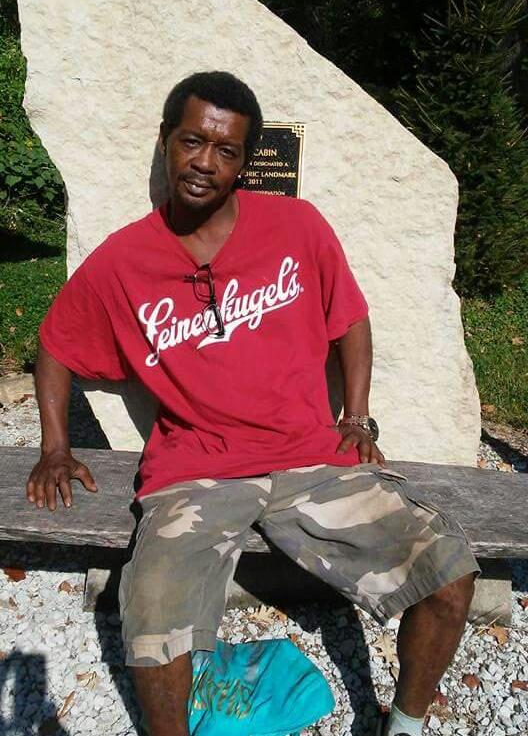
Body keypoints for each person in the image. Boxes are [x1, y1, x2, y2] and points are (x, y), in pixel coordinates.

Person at [27, 71, 479, 736]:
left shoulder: (296, 226)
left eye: (226, 150)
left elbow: (350, 319)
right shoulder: (124, 260)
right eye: (191, 141)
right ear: (164, 140)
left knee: (448, 573)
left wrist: (356, 415)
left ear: (244, 162)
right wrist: (55, 447)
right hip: (196, 469)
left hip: (309, 458)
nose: (205, 162)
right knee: (152, 614)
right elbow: (57, 344)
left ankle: (406, 725)